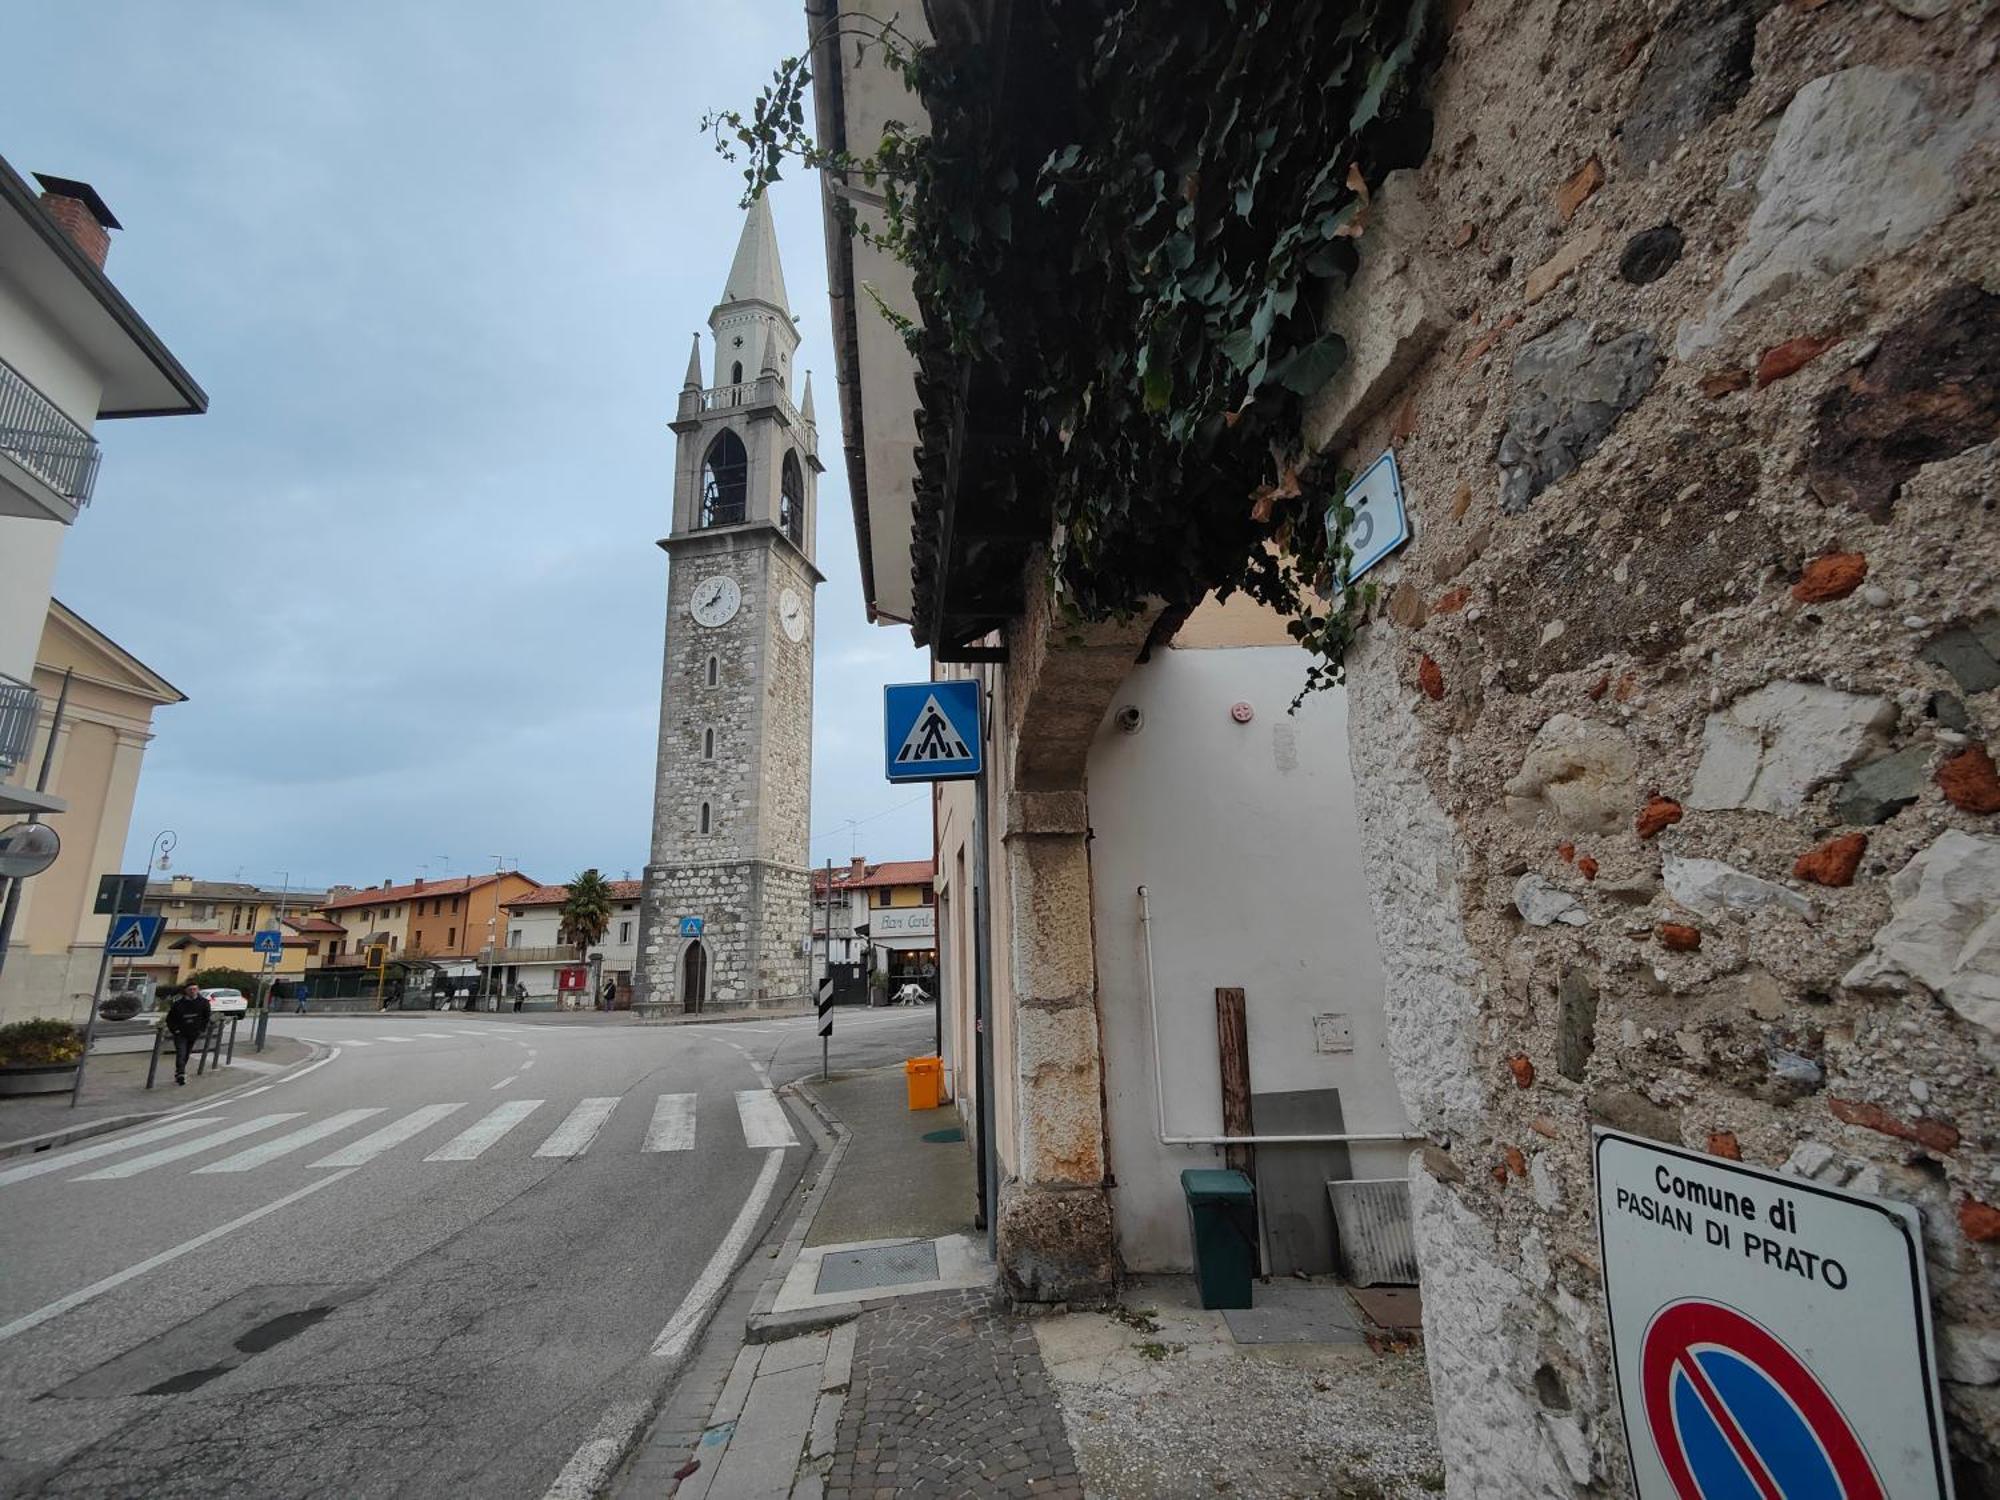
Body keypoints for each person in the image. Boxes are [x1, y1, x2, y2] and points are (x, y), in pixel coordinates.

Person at [164, 982, 211, 1086]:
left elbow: (206, 1017)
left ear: (198, 990)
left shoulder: (203, 1002)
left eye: (195, 989)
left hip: (194, 1033)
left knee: (186, 1053)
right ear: (186, 991)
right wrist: (175, 1030)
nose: (193, 991)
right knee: (181, 1052)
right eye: (190, 989)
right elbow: (170, 1019)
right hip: (180, 1033)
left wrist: (201, 1029)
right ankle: (181, 1073)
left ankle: (179, 1071)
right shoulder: (179, 1004)